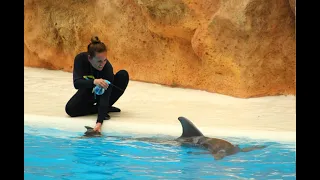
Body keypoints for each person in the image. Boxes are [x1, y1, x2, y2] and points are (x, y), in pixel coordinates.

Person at [65, 36, 129, 132]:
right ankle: (99, 109)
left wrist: (99, 122)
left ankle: (104, 108)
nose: (102, 64)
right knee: (70, 109)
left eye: (105, 60)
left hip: (105, 94)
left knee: (123, 75)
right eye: (99, 61)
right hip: (88, 89)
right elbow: (77, 83)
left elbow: (105, 96)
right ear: (90, 58)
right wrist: (94, 82)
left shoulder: (107, 69)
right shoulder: (80, 59)